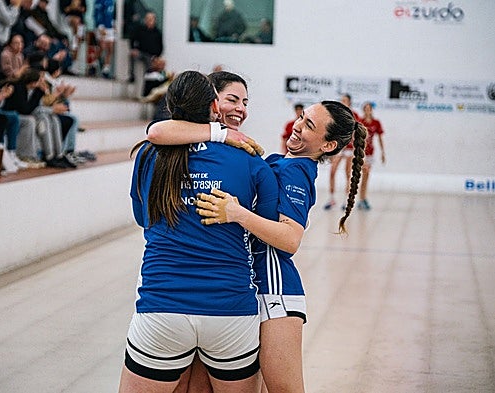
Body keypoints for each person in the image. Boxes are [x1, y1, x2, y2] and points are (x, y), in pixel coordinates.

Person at [147, 77, 367, 393]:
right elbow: (157, 133)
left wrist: (238, 214)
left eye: (308, 126)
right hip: (239, 291)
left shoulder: (295, 172)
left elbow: (290, 239)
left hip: (274, 291)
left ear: (328, 145)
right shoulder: (276, 161)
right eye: (302, 117)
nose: (297, 126)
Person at [118, 70, 280, 393]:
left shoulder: (148, 155)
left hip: (162, 307)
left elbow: (143, 218)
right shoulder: (249, 158)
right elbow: (267, 232)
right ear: (214, 106)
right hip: (230, 310)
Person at [323, 93, 360, 210]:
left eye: (345, 100)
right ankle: (331, 199)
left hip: (349, 148)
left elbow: (356, 133)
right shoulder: (337, 115)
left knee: (348, 173)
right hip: (338, 148)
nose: (343, 102)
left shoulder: (355, 115)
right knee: (332, 171)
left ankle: (346, 200)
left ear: (349, 102)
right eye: (342, 100)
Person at [357, 101, 386, 210]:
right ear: (363, 110)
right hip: (361, 153)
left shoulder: (376, 122)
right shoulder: (360, 121)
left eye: (369, 108)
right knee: (363, 173)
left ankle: (363, 199)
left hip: (370, 153)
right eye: (366, 108)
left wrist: (383, 153)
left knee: (366, 176)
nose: (368, 110)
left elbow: (380, 138)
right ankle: (361, 199)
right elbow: (356, 138)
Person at [128, 11, 163, 83]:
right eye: (147, 19)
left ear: (154, 20)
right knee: (132, 56)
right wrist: (133, 49)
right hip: (141, 52)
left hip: (151, 55)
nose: (149, 21)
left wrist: (156, 56)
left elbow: (160, 46)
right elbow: (132, 39)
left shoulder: (157, 33)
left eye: (151, 19)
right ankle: (132, 76)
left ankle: (148, 81)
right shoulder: (140, 30)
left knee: (151, 62)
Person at [93, 0, 116, 78]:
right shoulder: (99, 1)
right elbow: (97, 14)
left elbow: (113, 13)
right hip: (102, 27)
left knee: (110, 48)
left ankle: (106, 69)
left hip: (110, 27)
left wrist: (114, 23)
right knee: (102, 47)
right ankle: (94, 64)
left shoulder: (111, 1)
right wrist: (100, 26)